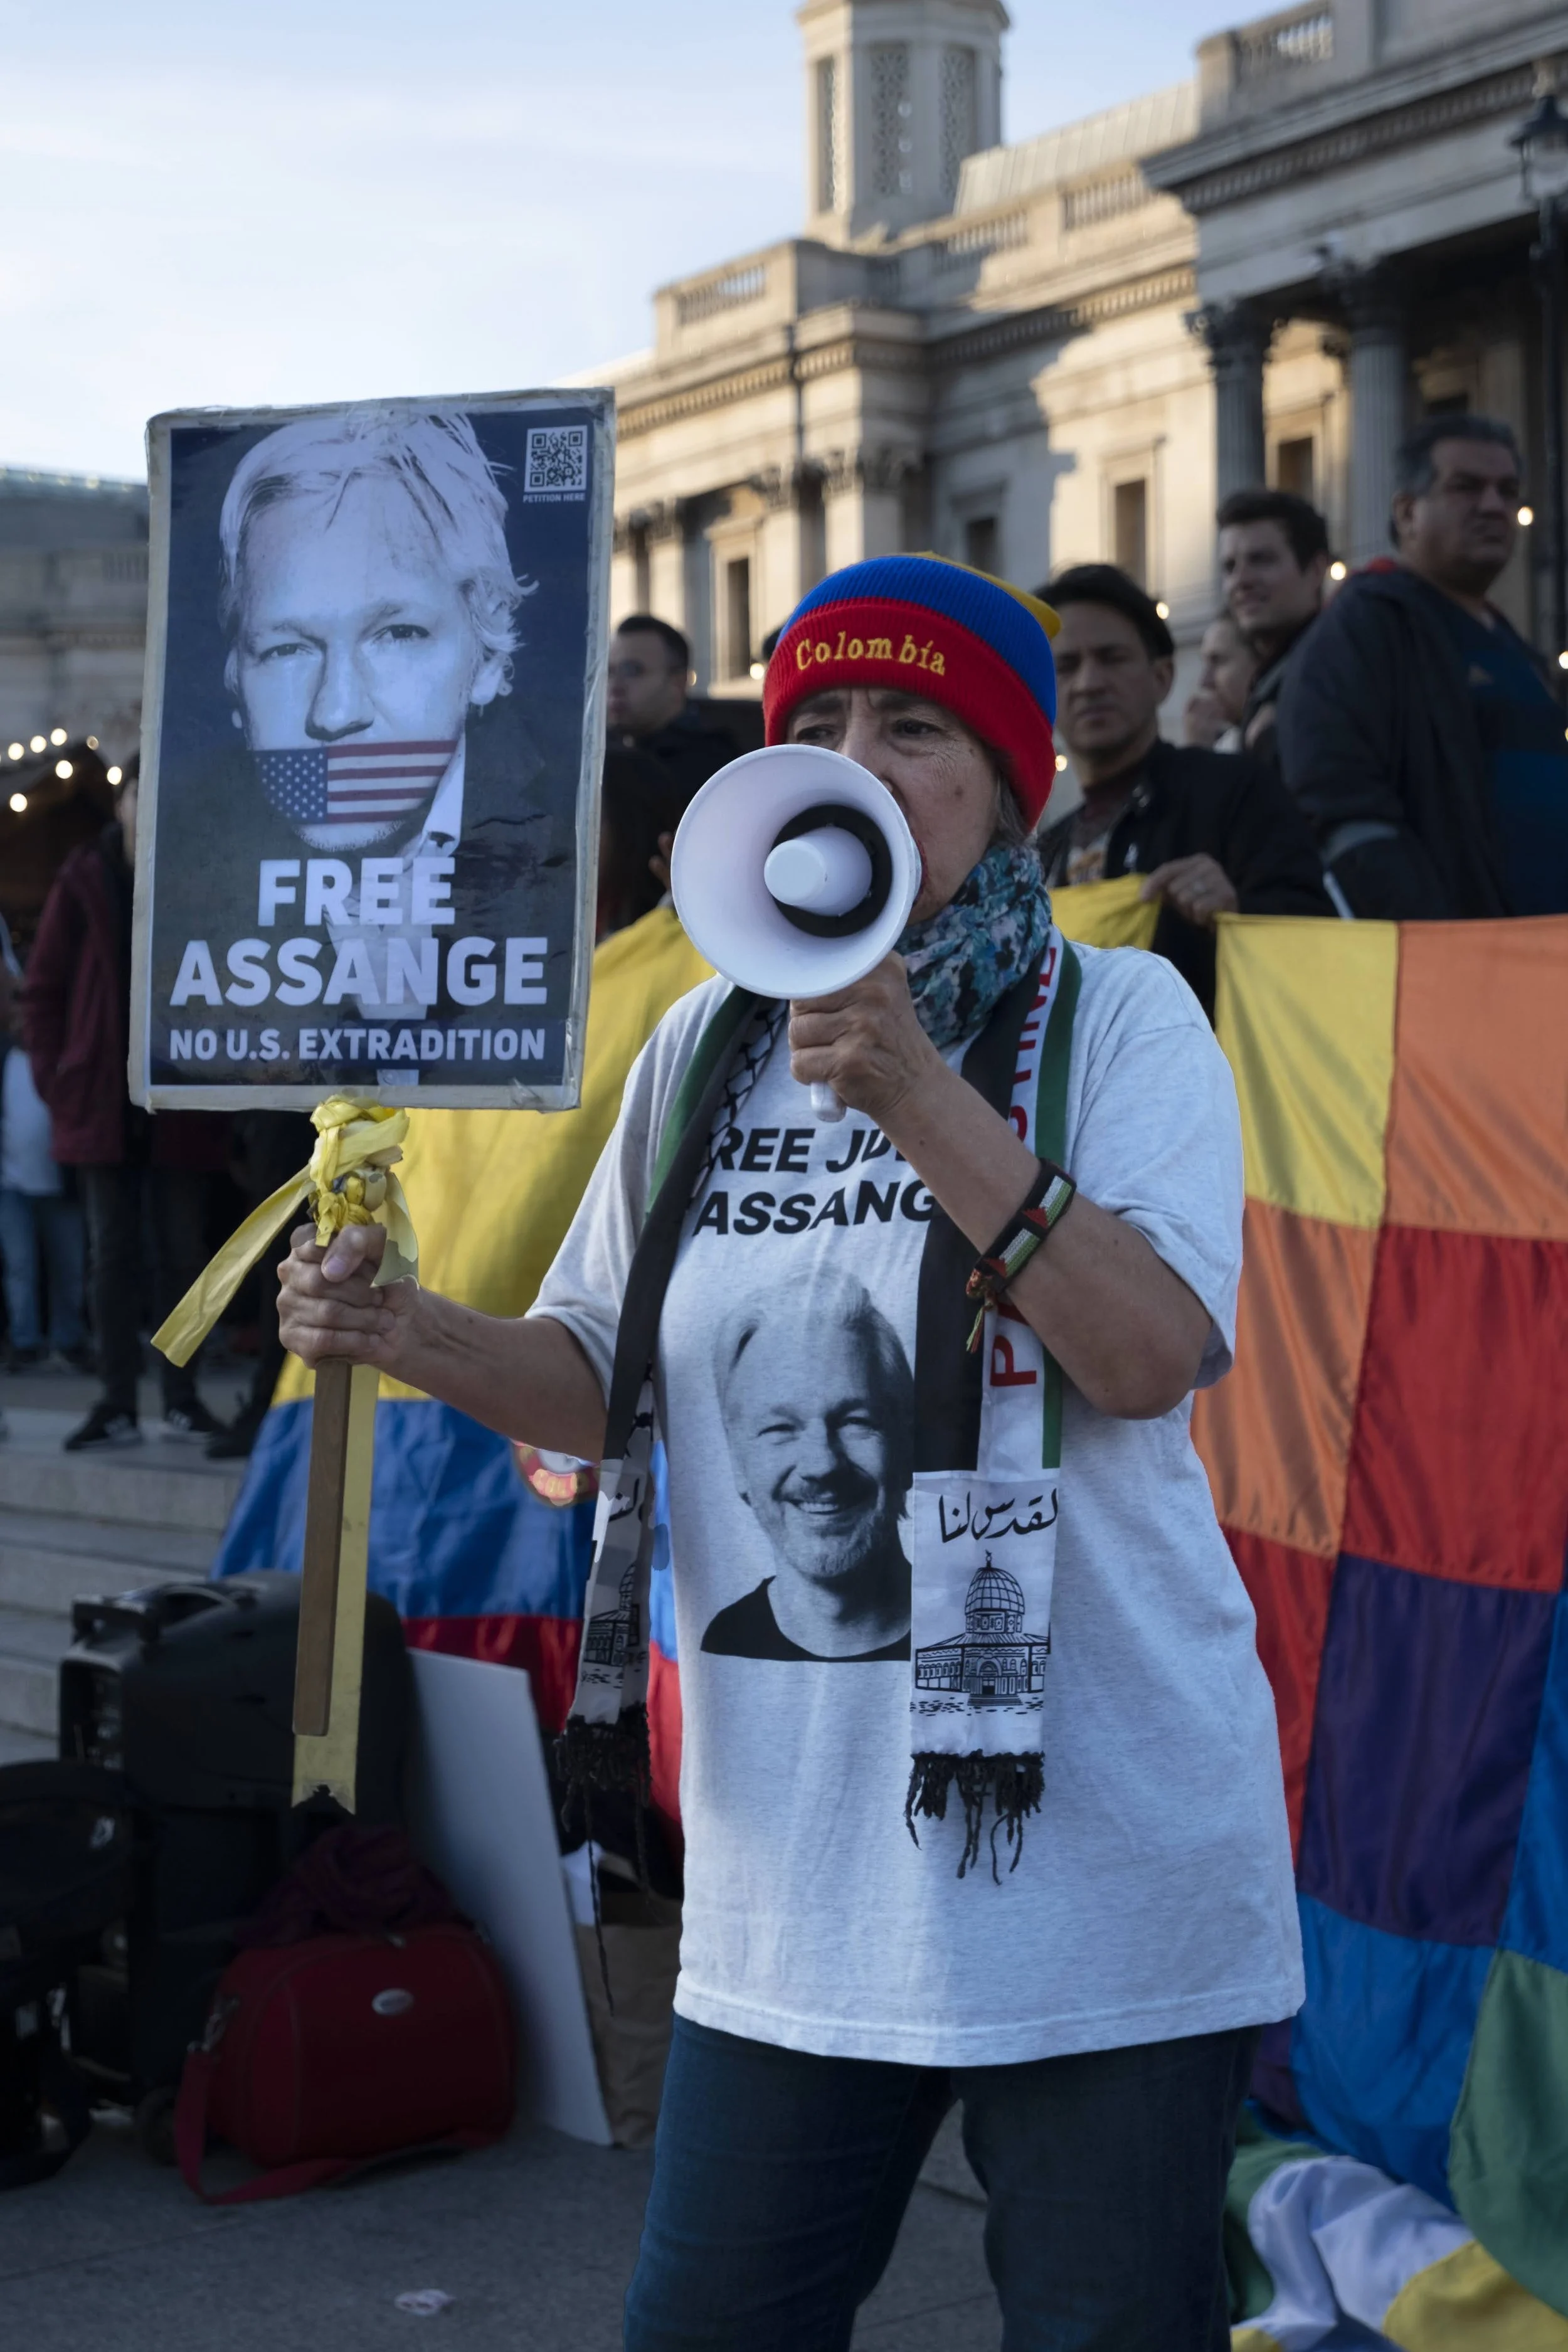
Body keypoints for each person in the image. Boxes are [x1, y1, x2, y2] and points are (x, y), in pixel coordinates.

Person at [279, 553, 1303, 2349]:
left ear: (1005, 782)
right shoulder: (700, 1045)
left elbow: (1146, 1356)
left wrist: (922, 1095)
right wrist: (411, 1331)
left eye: (912, 727)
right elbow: (601, 1381)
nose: (852, 755)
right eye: (815, 721)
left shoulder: (1121, 1017)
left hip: (1104, 1875)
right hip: (792, 1881)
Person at [1277, 414, 1568, 917]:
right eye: (1466, 487)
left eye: (1508, 490)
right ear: (1408, 513)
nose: (1494, 506)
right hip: (1460, 958)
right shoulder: (1364, 626)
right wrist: (1429, 929)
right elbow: (1336, 796)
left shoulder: (1517, 647)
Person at [25, 764, 230, 1449]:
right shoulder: (82, 876)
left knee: (182, 1256)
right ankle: (115, 1397)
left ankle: (181, 1395)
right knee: (108, 1256)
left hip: (177, 1097)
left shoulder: (194, 871)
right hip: (99, 1098)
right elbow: (43, 989)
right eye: (142, 791)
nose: (150, 806)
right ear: (123, 800)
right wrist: (58, 1079)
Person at [1037, 564, 1331, 1019]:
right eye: (1066, 666)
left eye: (1111, 658)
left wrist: (1236, 914)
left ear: (1163, 677)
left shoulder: (1237, 791)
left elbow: (1319, 945)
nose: (1089, 683)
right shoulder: (1041, 852)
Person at [702, 1279, 914, 1661]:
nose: (822, 1465)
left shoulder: (978, 1637)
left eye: (855, 1421)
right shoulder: (721, 1642)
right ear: (737, 1460)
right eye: (780, 1429)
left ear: (906, 1443)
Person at [0, 924, 86, 1370]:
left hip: (60, 1178)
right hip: (11, 1183)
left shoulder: (61, 1052)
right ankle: (25, 1340)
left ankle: (70, 1339)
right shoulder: (5, 1053)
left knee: (70, 1269)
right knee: (20, 1268)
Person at [1216, 488, 1330, 768]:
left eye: (1261, 560)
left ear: (1316, 569)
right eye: (1230, 567)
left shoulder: (1337, 673)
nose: (1241, 581)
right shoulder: (1279, 675)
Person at [607, 615, 747, 801]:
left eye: (631, 670)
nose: (614, 686)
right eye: (608, 672)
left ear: (678, 682)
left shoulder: (712, 766)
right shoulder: (601, 751)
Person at [1182, 610, 1257, 750]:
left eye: (1217, 661)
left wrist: (1199, 756)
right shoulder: (1229, 742)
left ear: (1259, 661)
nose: (1205, 682)